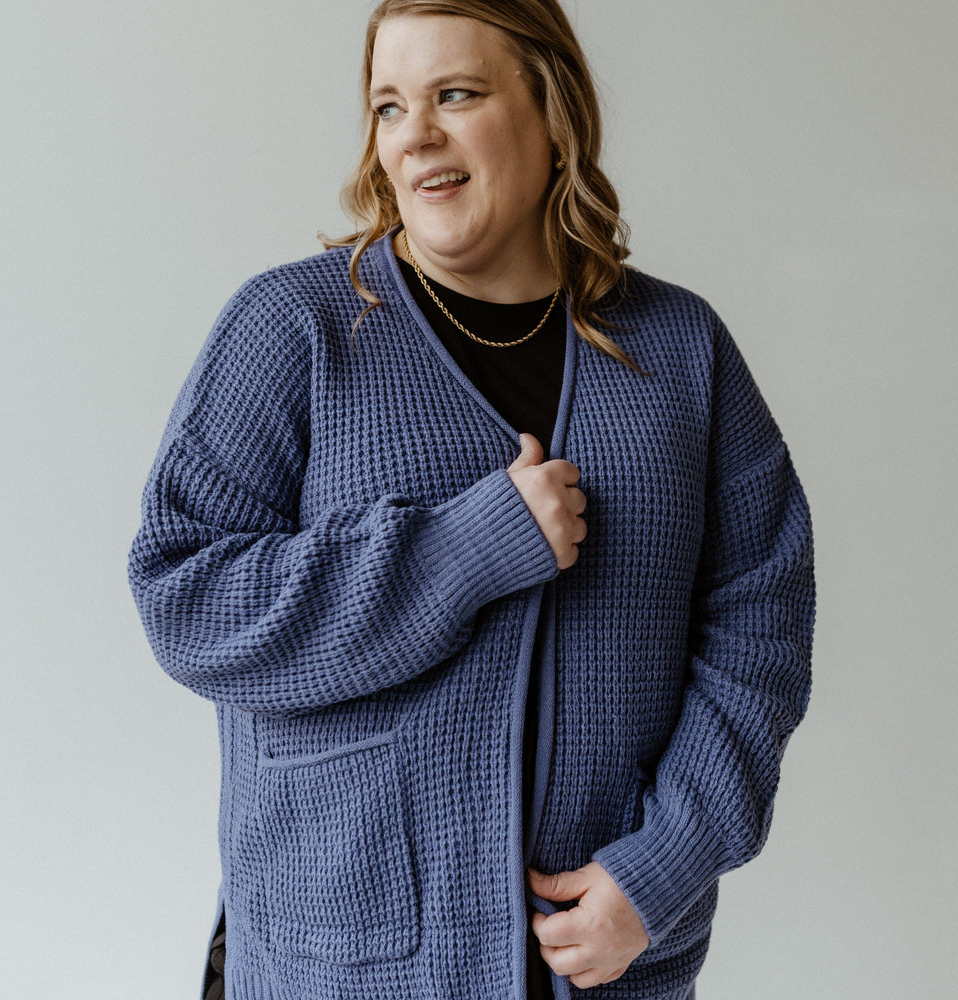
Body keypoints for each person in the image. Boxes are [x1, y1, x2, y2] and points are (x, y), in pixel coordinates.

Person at [127, 1, 815, 998]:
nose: (416, 136)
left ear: (551, 110)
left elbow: (759, 634)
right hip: (342, 957)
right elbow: (184, 597)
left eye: (456, 94)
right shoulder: (297, 329)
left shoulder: (680, 351)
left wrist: (658, 871)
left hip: (595, 959)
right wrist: (457, 552)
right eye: (389, 106)